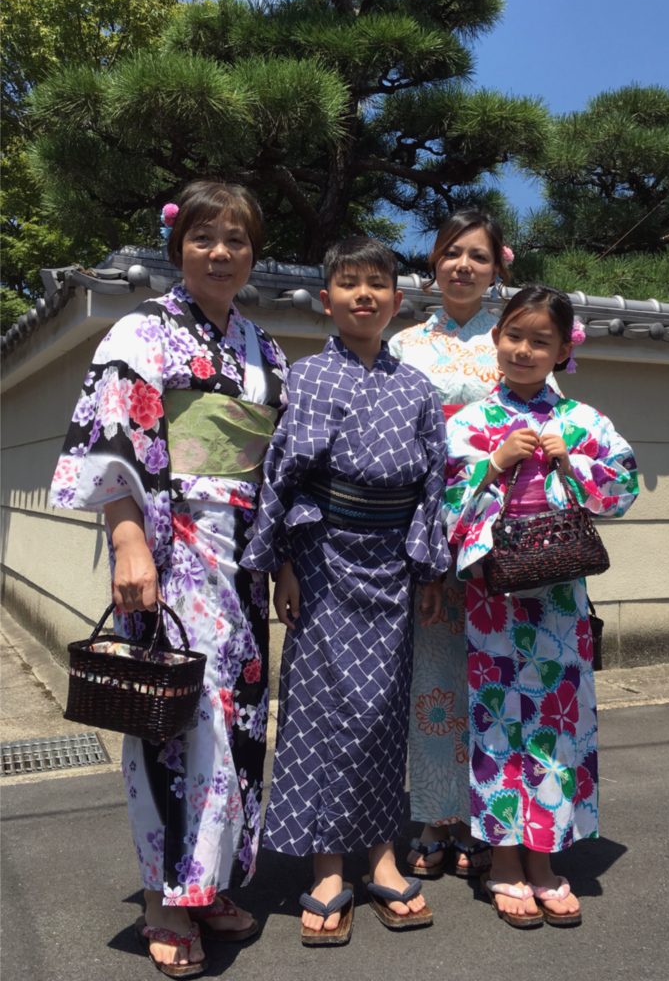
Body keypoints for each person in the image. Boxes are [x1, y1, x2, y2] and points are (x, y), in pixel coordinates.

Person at [50, 181, 289, 977]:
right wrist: (128, 542)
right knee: (176, 719)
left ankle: (208, 882)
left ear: (253, 253)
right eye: (203, 238)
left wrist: (283, 558)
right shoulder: (141, 332)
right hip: (173, 547)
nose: (220, 253)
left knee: (239, 720)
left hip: (243, 558)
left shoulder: (265, 349)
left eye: (236, 240)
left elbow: (277, 466)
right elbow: (113, 440)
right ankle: (164, 897)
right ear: (177, 246)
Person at [242, 237, 451, 945]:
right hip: (324, 561)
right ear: (326, 298)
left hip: (391, 564)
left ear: (397, 300)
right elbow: (284, 474)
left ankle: (381, 854)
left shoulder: (417, 388)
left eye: (377, 284)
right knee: (320, 710)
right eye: (349, 283)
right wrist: (284, 563)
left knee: (382, 713)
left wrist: (428, 568)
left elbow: (434, 484)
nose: (364, 294)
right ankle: (327, 866)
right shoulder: (305, 377)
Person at [443, 285, 639, 928]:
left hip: (558, 596)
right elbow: (439, 505)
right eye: (514, 336)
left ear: (562, 352)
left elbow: (624, 487)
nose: (524, 350)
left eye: (541, 341)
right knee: (496, 723)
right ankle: (502, 859)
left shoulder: (585, 421)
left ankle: (544, 855)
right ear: (496, 339)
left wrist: (573, 462)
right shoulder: (469, 423)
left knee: (556, 723)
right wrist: (491, 465)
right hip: (493, 599)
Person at [388, 210, 512, 878]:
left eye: (478, 256)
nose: (464, 265)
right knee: (432, 675)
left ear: (497, 269)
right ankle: (436, 815)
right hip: (425, 522)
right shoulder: (405, 344)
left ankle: (486, 814)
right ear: (434, 264)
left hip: (496, 529)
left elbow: (543, 420)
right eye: (451, 253)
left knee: (490, 673)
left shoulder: (513, 340)